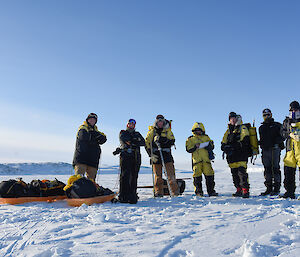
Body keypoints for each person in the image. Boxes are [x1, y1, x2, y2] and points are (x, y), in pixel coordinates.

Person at [145, 115, 179, 197]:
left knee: (171, 175)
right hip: (156, 156)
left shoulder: (167, 131)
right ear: (156, 123)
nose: (160, 123)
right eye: (158, 122)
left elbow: (172, 141)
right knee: (158, 176)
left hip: (166, 155)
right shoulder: (151, 132)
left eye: (161, 122)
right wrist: (151, 155)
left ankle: (175, 192)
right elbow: (147, 144)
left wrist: (163, 140)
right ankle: (158, 192)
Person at [114, 119, 145, 204]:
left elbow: (143, 142)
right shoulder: (123, 132)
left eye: (133, 124)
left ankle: (132, 195)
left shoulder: (137, 133)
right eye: (130, 124)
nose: (131, 125)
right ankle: (123, 195)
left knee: (134, 175)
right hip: (126, 156)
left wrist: (134, 141)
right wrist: (134, 141)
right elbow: (126, 141)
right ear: (127, 125)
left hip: (135, 156)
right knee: (125, 175)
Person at [221, 112, 251, 198]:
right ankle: (239, 189)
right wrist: (225, 147)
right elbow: (223, 142)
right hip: (232, 157)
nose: (233, 120)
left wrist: (232, 147)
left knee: (242, 174)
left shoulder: (243, 128)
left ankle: (245, 190)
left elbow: (245, 140)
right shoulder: (228, 131)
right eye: (231, 119)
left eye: (234, 118)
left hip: (241, 155)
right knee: (234, 174)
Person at [186, 122, 218, 196]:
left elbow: (212, 146)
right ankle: (198, 192)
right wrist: (195, 147)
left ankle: (211, 191)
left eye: (199, 130)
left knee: (210, 176)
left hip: (206, 161)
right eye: (196, 130)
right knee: (197, 177)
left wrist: (206, 146)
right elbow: (188, 149)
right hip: (197, 162)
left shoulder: (206, 137)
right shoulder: (190, 139)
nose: (198, 131)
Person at [72, 113, 107, 181]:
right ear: (87, 120)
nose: (92, 121)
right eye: (90, 119)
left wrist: (95, 135)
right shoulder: (83, 128)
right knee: (78, 180)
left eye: (94, 120)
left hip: (93, 160)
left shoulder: (96, 131)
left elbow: (104, 139)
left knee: (91, 181)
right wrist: (95, 137)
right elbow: (84, 136)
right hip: (82, 158)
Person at [259, 108, 284, 196]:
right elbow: (261, 139)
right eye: (264, 115)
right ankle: (268, 188)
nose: (266, 117)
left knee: (275, 168)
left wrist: (277, 141)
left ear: (271, 115)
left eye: (268, 115)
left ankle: (276, 188)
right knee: (267, 169)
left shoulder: (277, 125)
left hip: (275, 149)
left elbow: (283, 135)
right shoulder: (261, 127)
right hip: (265, 150)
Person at [281, 101, 300, 199]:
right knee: (288, 172)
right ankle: (289, 192)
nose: (294, 111)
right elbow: (282, 133)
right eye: (292, 109)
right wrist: (289, 134)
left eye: (295, 109)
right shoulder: (286, 121)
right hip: (290, 150)